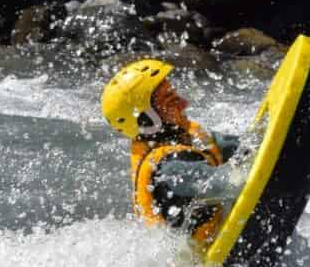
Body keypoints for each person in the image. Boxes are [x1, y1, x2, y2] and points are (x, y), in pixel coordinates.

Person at [101, 58, 239, 252]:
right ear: (148, 120)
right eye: (171, 100)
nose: (184, 103)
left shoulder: (188, 136)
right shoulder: (169, 168)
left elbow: (246, 145)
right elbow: (234, 183)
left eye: (176, 95)